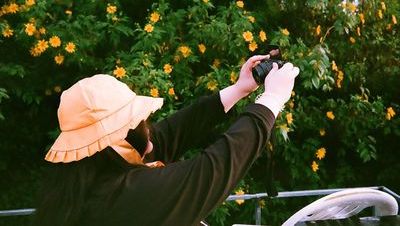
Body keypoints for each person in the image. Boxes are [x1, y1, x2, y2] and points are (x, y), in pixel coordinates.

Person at [33, 55, 300, 226]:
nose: (149, 131)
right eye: (139, 122)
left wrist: (241, 88)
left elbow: (176, 130)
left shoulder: (89, 174)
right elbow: (211, 171)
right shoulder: (124, 197)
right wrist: (271, 101)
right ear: (117, 139)